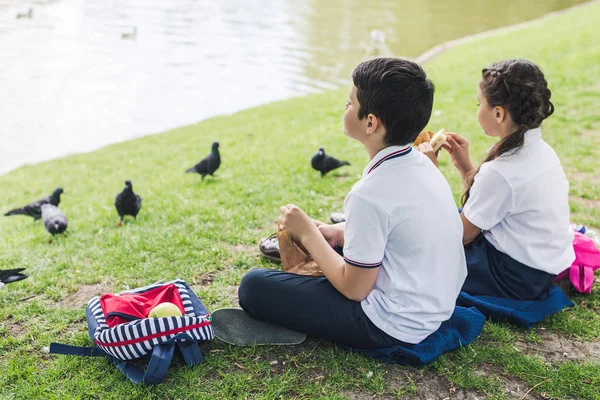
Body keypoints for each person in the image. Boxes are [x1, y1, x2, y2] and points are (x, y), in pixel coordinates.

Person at [238, 58, 467, 349]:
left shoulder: (369, 193)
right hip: (433, 308)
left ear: (370, 122)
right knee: (322, 257)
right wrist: (338, 233)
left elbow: (355, 289)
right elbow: (397, 228)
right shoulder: (423, 165)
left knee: (254, 287)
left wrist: (307, 233)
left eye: (350, 103)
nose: (345, 108)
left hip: (393, 324)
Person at [421, 59, 575, 300]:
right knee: (434, 226)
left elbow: (460, 236)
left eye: (479, 103)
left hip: (513, 276)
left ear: (499, 113)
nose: (477, 109)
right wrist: (465, 168)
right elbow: (493, 202)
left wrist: (428, 173)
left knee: (423, 252)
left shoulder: (502, 171)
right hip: (541, 266)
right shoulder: (540, 150)